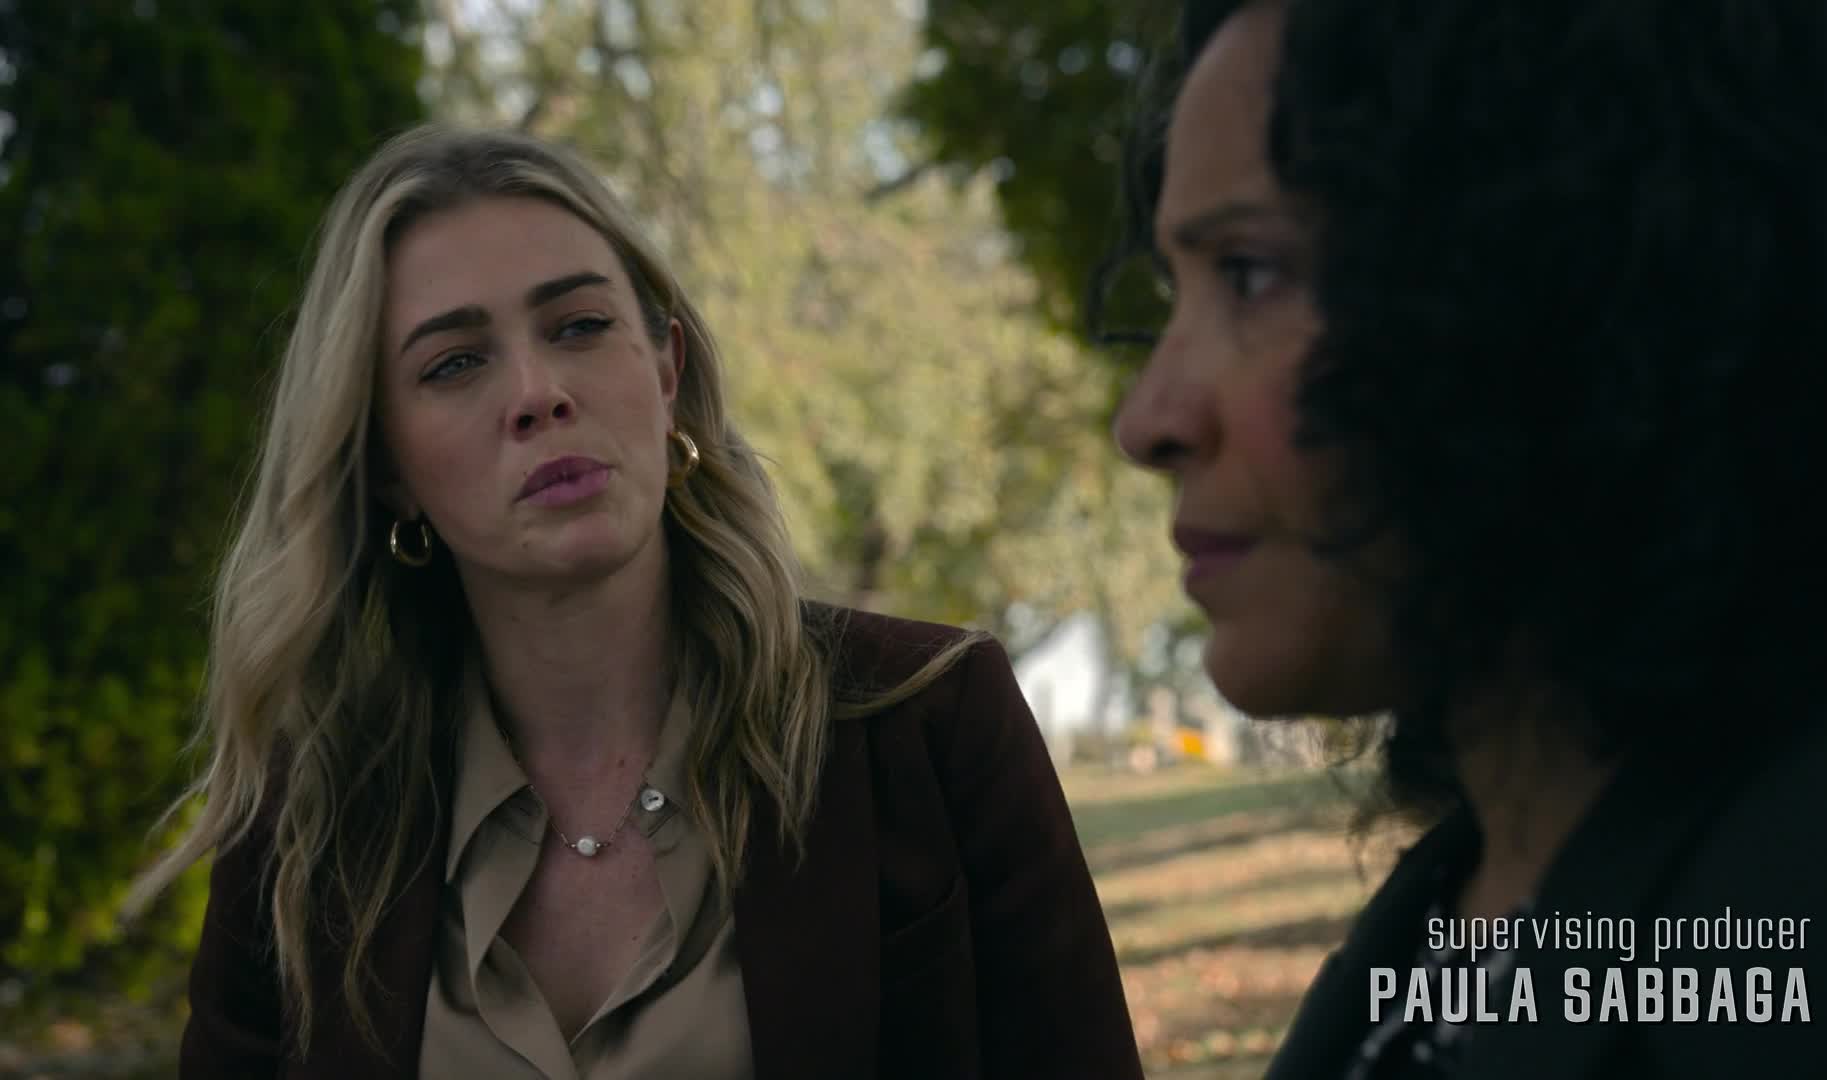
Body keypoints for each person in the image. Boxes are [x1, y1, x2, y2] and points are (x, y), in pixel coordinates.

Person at [124, 123, 1143, 1080]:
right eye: (455, 363)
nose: (538, 392)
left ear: (665, 374)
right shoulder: (309, 819)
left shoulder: (926, 722)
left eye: (580, 325)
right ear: (387, 464)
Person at [1107, 0, 1827, 1076]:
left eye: (1251, 273)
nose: (1148, 419)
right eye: (1177, 291)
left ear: (1582, 278)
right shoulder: (1459, 906)